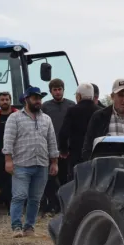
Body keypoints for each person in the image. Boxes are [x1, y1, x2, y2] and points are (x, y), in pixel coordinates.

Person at [2, 86, 59, 237]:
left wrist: (54, 162)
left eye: (40, 98)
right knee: (19, 196)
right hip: (21, 164)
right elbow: (8, 140)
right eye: (35, 98)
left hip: (42, 164)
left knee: (35, 199)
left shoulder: (46, 119)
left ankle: (29, 227)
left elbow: (52, 142)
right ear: (27, 99)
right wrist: (8, 160)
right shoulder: (14, 118)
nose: (38, 101)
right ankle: (16, 227)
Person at [81, 79, 124, 161]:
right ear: (112, 96)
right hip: (106, 170)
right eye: (121, 95)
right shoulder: (99, 117)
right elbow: (87, 148)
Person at [40, 78, 75, 215]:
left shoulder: (71, 105)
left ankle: (65, 205)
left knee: (66, 178)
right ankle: (53, 204)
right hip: (50, 148)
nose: (58, 92)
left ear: (63, 90)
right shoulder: (45, 107)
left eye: (60, 89)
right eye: (55, 90)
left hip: (67, 147)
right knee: (50, 179)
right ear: (51, 91)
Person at [58, 83, 101, 182]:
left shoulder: (72, 110)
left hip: (76, 154)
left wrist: (63, 150)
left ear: (79, 96)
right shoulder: (100, 111)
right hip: (95, 154)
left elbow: (63, 133)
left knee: (76, 182)